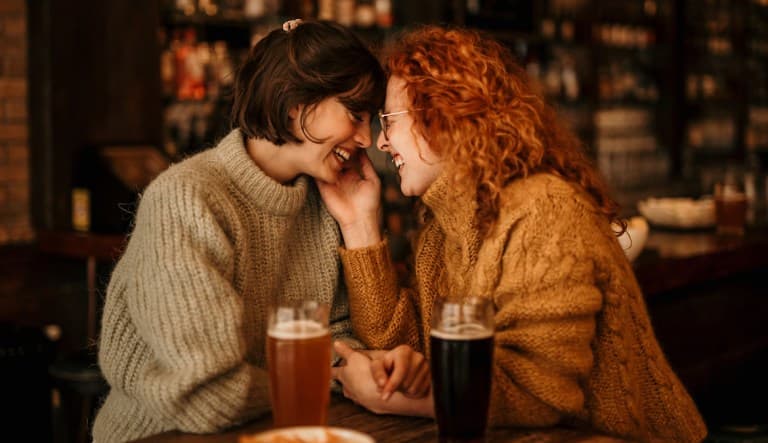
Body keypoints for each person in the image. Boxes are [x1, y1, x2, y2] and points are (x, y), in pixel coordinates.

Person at [319, 26, 708, 442]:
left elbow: (537, 394)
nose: (380, 143)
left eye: (389, 121)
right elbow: (410, 352)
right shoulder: (441, 224)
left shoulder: (544, 209)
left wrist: (392, 400)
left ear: (447, 113)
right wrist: (359, 223)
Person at [93, 20, 396, 442]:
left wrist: (360, 223)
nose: (366, 138)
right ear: (296, 105)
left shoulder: (320, 201)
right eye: (355, 115)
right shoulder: (187, 200)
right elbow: (208, 395)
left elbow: (350, 342)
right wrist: (336, 376)